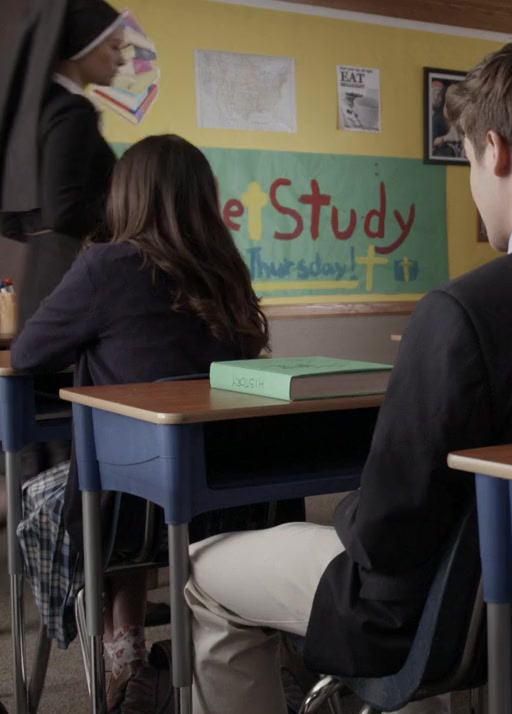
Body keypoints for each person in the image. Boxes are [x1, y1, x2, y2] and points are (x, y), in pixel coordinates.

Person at [183, 40, 512, 714]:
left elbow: (387, 531)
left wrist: (350, 507)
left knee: (200, 569)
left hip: (431, 622)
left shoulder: (463, 310)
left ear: (496, 152)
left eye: (468, 161)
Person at [11, 134, 270, 708]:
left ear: (126, 197)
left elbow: (27, 353)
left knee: (50, 491)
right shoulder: (226, 271)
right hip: (223, 499)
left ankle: (121, 655)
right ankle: (147, 649)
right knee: (137, 460)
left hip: (123, 514)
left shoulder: (106, 265)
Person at [0, 0, 124, 528]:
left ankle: (46, 546)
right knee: (71, 436)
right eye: (113, 46)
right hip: (70, 280)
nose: (122, 58)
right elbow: (66, 208)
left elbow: (24, 214)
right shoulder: (71, 112)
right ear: (81, 49)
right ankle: (76, 556)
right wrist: (132, 213)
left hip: (44, 278)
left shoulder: (38, 108)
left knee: (42, 436)